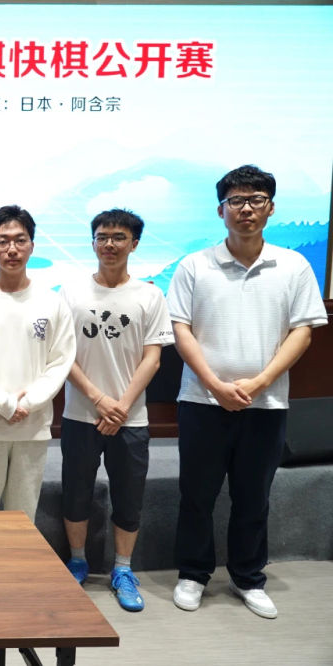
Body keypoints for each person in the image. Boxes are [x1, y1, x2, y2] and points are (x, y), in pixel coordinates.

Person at [167, 165, 327, 619]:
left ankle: (248, 577)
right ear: (221, 210)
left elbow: (302, 332)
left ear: (271, 208)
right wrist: (215, 385)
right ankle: (193, 574)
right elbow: (181, 330)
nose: (246, 209)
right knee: (196, 495)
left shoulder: (293, 265)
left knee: (254, 497)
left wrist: (258, 383)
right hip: (201, 402)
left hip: (266, 404)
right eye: (236, 200)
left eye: (256, 200)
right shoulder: (194, 265)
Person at [59, 209, 174, 612]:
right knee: (75, 493)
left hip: (131, 418)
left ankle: (123, 569)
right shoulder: (71, 293)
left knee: (129, 499)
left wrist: (121, 406)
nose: (109, 244)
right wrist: (98, 399)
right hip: (80, 415)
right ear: (92, 242)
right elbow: (62, 355)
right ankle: (77, 561)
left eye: (119, 237)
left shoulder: (150, 295)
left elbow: (153, 358)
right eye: (102, 236)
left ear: (134, 244)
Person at [0, 205, 74, 521]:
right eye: (3, 241)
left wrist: (29, 403)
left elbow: (61, 360)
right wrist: (6, 404)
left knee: (23, 517)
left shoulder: (52, 302)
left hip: (32, 424)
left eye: (20, 240)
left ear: (32, 246)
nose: (12, 249)